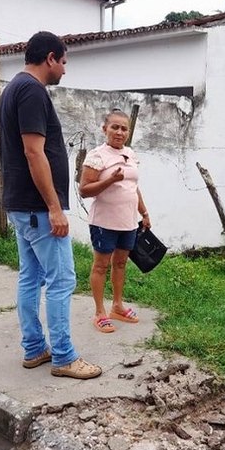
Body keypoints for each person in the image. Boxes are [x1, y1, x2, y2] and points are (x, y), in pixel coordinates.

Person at [0, 31, 101, 379]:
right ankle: (63, 356)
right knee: (61, 280)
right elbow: (33, 152)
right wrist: (55, 208)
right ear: (51, 58)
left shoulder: (13, 87)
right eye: (64, 62)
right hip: (38, 209)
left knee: (31, 277)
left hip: (21, 205)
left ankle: (34, 349)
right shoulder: (31, 91)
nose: (65, 70)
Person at [79, 109, 151, 333]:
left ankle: (117, 306)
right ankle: (100, 312)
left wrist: (144, 213)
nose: (119, 132)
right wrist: (110, 180)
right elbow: (84, 190)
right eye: (115, 127)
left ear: (128, 132)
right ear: (105, 129)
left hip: (128, 222)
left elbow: (132, 187)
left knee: (120, 264)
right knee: (101, 265)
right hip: (104, 223)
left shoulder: (130, 154)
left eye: (124, 128)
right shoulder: (97, 156)